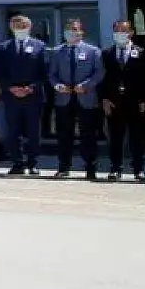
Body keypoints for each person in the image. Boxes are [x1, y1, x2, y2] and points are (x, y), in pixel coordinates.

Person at [48, 18, 104, 179]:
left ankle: (90, 167)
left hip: (85, 97)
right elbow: (51, 74)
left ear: (81, 32)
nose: (72, 32)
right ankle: (64, 166)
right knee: (64, 134)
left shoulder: (93, 51)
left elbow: (99, 73)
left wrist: (86, 85)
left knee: (88, 134)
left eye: (75, 29)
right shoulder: (57, 51)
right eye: (69, 29)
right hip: (64, 98)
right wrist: (58, 86)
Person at [0, 13, 49, 177]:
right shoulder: (4, 47)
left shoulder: (40, 46)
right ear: (11, 28)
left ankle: (33, 163)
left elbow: (44, 73)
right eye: (17, 26)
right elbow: (0, 72)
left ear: (29, 27)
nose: (20, 29)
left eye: (23, 26)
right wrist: (10, 88)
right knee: (13, 132)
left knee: (33, 131)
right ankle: (17, 162)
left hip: (33, 96)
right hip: (11, 96)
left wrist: (30, 88)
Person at [101, 19, 145, 182]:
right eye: (116, 31)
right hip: (114, 102)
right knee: (115, 137)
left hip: (135, 101)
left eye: (123, 31)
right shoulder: (107, 53)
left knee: (137, 137)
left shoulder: (141, 52)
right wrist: (105, 99)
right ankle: (115, 168)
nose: (119, 34)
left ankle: (138, 169)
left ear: (131, 33)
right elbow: (104, 78)